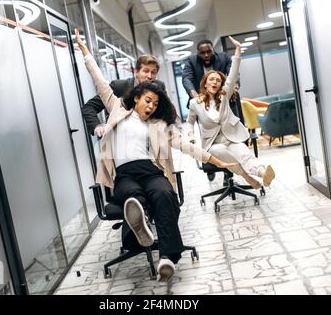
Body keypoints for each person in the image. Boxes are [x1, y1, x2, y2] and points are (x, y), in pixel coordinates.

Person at [74, 28, 238, 282]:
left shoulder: (158, 124)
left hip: (150, 170)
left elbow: (186, 145)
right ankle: (142, 231)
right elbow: (99, 80)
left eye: (155, 104)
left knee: (163, 194)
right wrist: (85, 51)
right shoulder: (117, 108)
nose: (150, 106)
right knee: (132, 197)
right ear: (137, 97)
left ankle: (166, 258)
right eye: (147, 101)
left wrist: (215, 160)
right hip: (124, 173)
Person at [187, 36, 276, 190]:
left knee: (244, 153)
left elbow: (233, 74)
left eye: (218, 80)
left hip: (231, 137)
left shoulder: (224, 96)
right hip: (213, 143)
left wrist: (238, 50)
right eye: (211, 79)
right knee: (223, 152)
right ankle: (248, 177)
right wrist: (190, 135)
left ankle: (262, 172)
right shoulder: (195, 103)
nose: (215, 82)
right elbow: (189, 121)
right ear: (205, 83)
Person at [82, 53, 163, 138]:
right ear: (136, 72)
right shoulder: (119, 86)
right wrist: (97, 126)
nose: (149, 76)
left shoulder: (158, 92)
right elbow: (89, 107)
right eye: (146, 71)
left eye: (153, 73)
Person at [182, 40, 232, 108]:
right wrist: (195, 96)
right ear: (198, 53)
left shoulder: (224, 57)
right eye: (202, 53)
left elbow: (233, 74)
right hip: (201, 100)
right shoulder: (191, 61)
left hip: (223, 98)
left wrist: (234, 87)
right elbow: (186, 79)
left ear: (213, 50)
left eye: (209, 51)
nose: (206, 55)